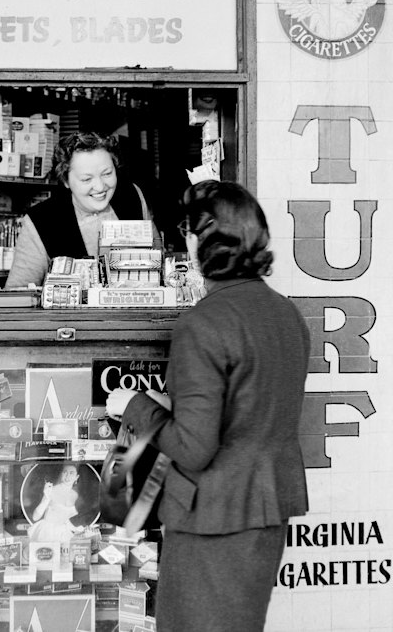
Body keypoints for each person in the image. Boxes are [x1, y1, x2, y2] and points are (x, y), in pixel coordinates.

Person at [106, 180, 310, 632]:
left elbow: (195, 449)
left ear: (203, 242)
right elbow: (252, 405)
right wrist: (172, 404)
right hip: (264, 511)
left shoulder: (203, 323)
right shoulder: (287, 314)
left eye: (189, 232)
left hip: (211, 518)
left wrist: (134, 405)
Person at [5, 131, 160, 287]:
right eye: (86, 179)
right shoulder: (42, 220)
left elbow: (159, 264)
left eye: (107, 173)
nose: (100, 187)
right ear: (65, 180)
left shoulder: (131, 196)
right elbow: (18, 292)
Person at [27, 463, 82, 542]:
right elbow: (35, 517)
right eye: (65, 472)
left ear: (76, 477)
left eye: (71, 473)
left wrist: (76, 529)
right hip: (47, 533)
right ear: (61, 474)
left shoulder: (75, 495)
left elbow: (65, 518)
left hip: (63, 533)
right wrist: (46, 497)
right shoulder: (51, 490)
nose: (67, 476)